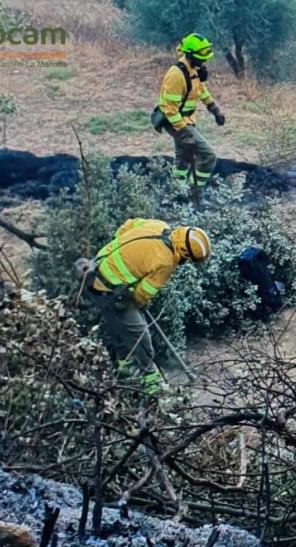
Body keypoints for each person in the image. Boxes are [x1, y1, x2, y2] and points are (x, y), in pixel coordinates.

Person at [87, 219, 211, 393]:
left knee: (122, 331)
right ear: (184, 252)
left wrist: (122, 251)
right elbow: (142, 294)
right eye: (188, 259)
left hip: (95, 268)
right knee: (141, 337)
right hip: (109, 290)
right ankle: (152, 387)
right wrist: (137, 303)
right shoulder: (166, 262)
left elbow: (128, 225)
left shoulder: (159, 225)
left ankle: (125, 375)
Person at [156, 33, 225, 206]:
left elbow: (200, 89)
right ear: (190, 54)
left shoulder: (192, 70)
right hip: (175, 121)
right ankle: (195, 194)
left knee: (184, 157)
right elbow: (168, 107)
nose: (204, 62)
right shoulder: (176, 75)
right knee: (209, 156)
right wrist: (183, 130)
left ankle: (177, 195)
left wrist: (214, 109)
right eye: (201, 58)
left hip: (186, 120)